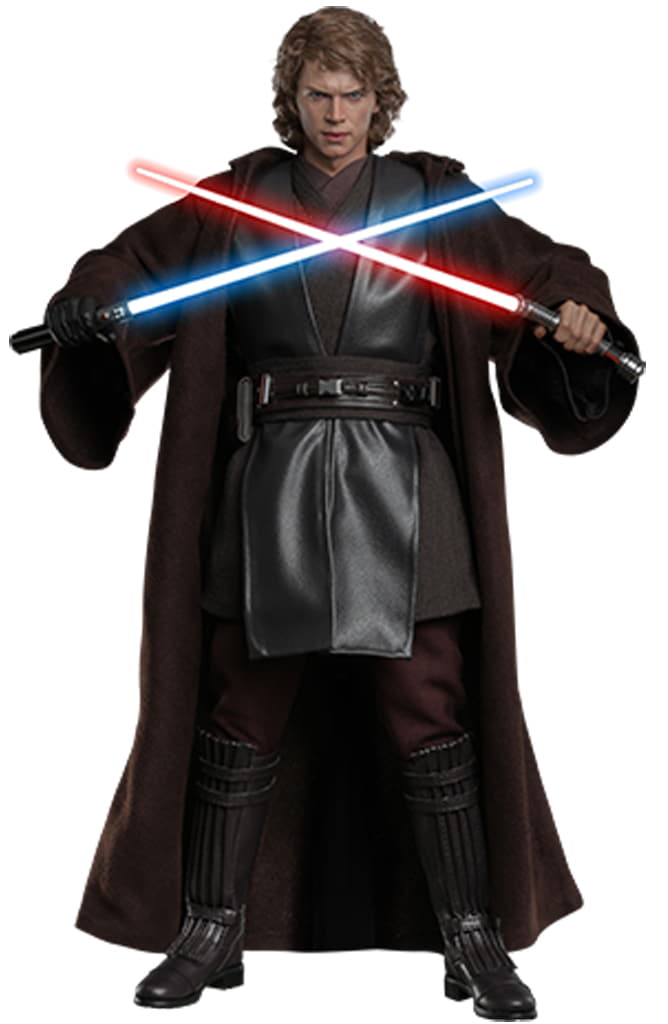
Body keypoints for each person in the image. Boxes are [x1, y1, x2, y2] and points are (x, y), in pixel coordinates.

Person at [39, 6, 639, 1020]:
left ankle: (470, 933)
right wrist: (90, 306)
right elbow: (129, 267)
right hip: (269, 480)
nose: (333, 113)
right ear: (292, 97)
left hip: (407, 483)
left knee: (429, 704)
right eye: (316, 93)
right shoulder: (235, 202)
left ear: (378, 100)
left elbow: (545, 271)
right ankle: (210, 926)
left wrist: (578, 313)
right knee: (242, 703)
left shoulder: (434, 202)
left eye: (352, 94)